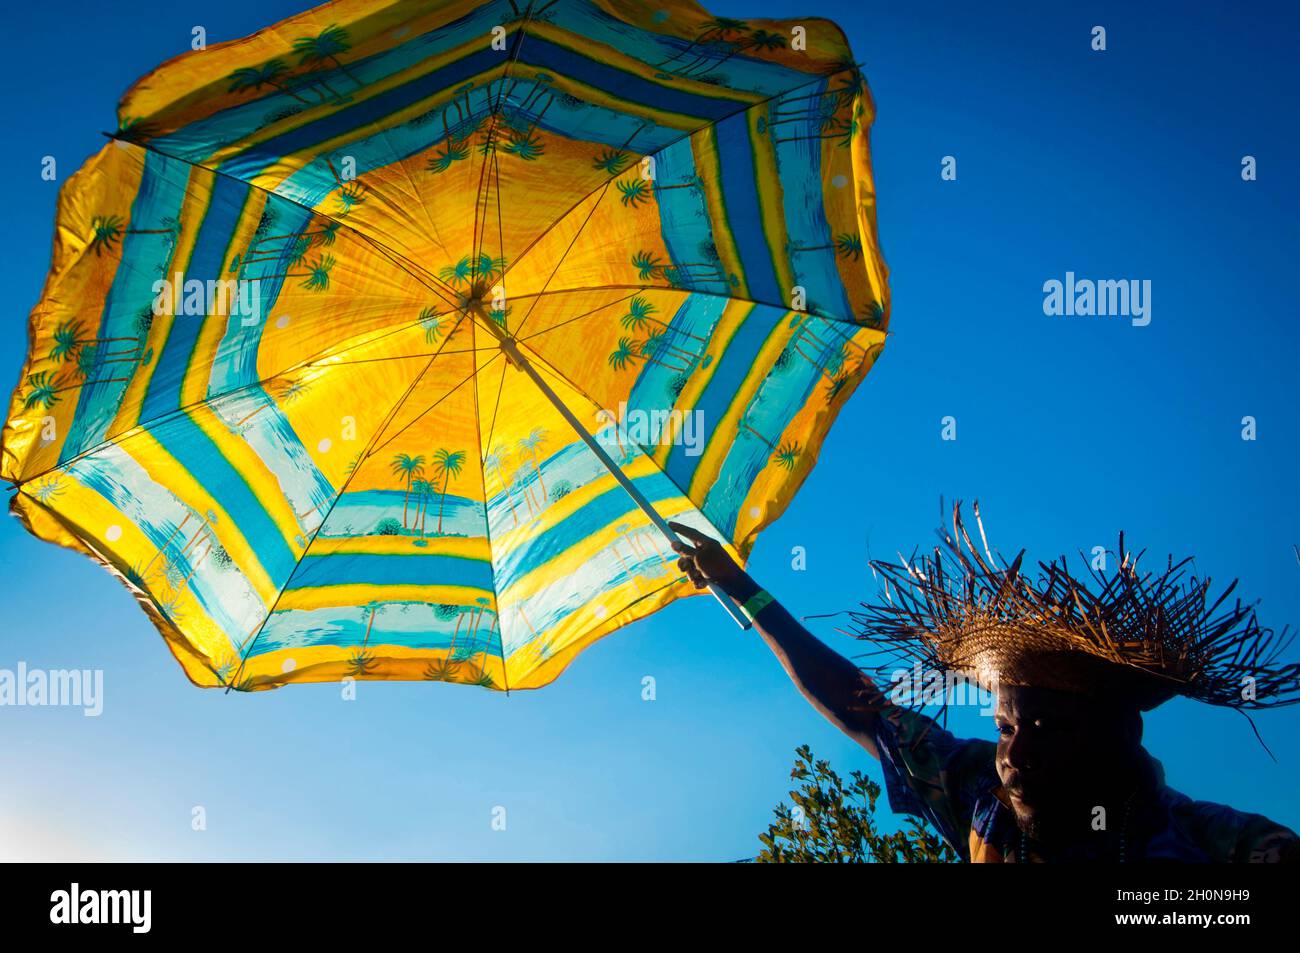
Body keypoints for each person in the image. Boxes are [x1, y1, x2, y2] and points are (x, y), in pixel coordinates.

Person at [667, 510, 1300, 863]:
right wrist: (741, 588)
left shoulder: (1217, 845)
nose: (1015, 754)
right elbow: (863, 707)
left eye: (1047, 729)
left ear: (1118, 736)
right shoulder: (982, 795)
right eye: (1004, 727)